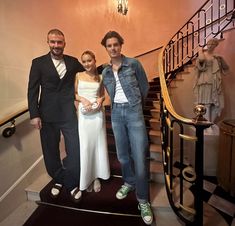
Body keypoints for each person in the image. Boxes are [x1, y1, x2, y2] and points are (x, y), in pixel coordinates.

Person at [100, 31, 153, 225]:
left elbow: (145, 87)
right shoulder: (105, 71)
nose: (113, 48)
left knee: (139, 156)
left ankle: (143, 199)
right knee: (122, 155)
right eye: (109, 45)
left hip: (133, 112)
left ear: (121, 45)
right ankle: (129, 182)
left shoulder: (134, 64)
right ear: (105, 48)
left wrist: (137, 106)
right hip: (115, 114)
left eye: (116, 44)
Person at [27, 29, 84, 202]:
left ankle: (72, 182)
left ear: (64, 43)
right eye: (53, 42)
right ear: (48, 42)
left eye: (59, 42)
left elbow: (89, 73)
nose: (56, 45)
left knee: (74, 150)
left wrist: (107, 69)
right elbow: (32, 90)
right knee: (50, 151)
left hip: (68, 114)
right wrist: (34, 114)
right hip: (47, 115)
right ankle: (60, 179)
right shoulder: (38, 63)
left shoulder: (73, 62)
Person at [74, 50, 110, 192]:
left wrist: (100, 100)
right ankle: (87, 177)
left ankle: (96, 177)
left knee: (98, 145)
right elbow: (74, 94)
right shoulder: (78, 75)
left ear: (95, 60)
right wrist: (82, 99)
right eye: (84, 61)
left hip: (97, 115)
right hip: (83, 116)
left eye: (89, 60)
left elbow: (103, 95)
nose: (87, 64)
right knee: (86, 146)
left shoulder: (100, 77)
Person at [193, 38, 229, 123]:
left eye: (213, 44)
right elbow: (201, 61)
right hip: (203, 80)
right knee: (205, 103)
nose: (210, 46)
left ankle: (210, 123)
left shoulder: (216, 57)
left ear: (215, 46)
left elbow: (226, 68)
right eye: (209, 43)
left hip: (213, 81)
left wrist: (221, 58)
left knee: (217, 104)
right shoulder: (203, 55)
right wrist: (200, 51)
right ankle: (206, 124)